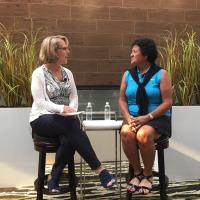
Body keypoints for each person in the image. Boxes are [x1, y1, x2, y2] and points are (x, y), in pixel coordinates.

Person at [29, 35, 115, 193]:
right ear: (54, 51)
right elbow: (40, 102)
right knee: (71, 125)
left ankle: (54, 178)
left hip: (65, 120)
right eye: (65, 48)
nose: (68, 51)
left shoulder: (67, 72)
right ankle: (100, 170)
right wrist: (62, 109)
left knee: (69, 136)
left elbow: (74, 96)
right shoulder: (38, 74)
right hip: (42, 119)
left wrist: (72, 110)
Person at [119, 38, 172, 195]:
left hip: (157, 117)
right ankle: (138, 173)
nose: (131, 54)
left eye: (134, 52)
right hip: (134, 117)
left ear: (146, 55)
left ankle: (148, 175)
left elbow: (168, 102)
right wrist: (128, 117)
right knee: (126, 132)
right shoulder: (128, 74)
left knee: (143, 134)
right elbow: (122, 99)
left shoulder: (161, 74)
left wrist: (148, 117)